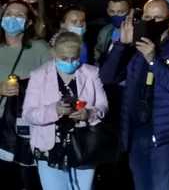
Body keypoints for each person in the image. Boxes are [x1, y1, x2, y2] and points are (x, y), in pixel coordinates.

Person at [100, 0, 169, 190]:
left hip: (163, 137)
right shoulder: (134, 48)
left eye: (158, 18)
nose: (152, 22)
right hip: (135, 136)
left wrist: (153, 60)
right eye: (147, 17)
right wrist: (122, 45)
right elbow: (107, 77)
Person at [23, 31, 108, 190]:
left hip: (84, 144)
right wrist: (53, 110)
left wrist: (89, 113)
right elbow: (28, 113)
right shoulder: (39, 75)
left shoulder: (91, 73)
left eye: (74, 58)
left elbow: (103, 105)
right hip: (50, 146)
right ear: (54, 53)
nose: (69, 63)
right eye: (64, 58)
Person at [0, 0, 52, 190]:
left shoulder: (39, 49)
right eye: (8, 13)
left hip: (24, 132)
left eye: (19, 15)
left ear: (29, 22)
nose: (12, 18)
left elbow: (56, 82)